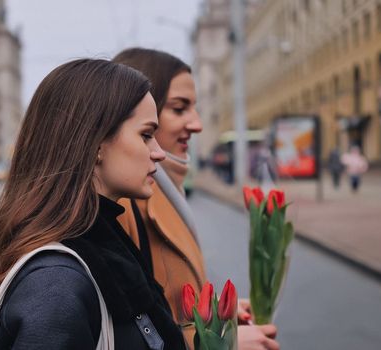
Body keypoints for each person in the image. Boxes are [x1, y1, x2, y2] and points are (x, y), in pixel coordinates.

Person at [0, 59, 187, 350]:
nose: (158, 152)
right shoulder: (56, 283)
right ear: (95, 144)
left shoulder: (102, 245)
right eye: (146, 135)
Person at [113, 48, 280, 350]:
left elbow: (167, 303)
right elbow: (129, 330)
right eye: (179, 109)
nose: (197, 123)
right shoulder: (123, 204)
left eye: (194, 108)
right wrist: (220, 344)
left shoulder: (164, 191)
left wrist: (218, 319)